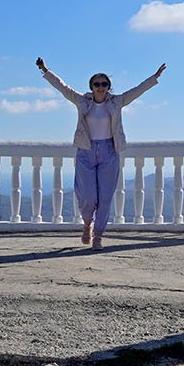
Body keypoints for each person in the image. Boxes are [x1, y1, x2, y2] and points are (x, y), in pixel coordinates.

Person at [35, 56, 166, 249]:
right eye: (97, 83)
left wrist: (154, 77)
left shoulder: (116, 102)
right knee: (87, 196)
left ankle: (98, 235)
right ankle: (87, 223)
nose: (100, 86)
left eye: (104, 83)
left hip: (109, 151)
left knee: (105, 196)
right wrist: (45, 70)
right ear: (91, 86)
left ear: (108, 86)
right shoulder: (81, 101)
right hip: (86, 150)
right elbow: (62, 87)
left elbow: (137, 91)